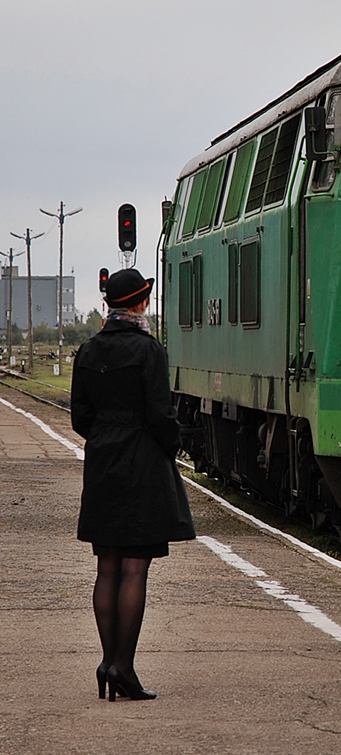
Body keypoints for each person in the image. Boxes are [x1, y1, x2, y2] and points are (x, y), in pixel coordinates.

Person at [71, 268, 195, 702]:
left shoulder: (87, 351)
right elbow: (161, 414)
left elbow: (79, 419)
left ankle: (108, 662)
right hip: (142, 460)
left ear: (108, 306)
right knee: (135, 567)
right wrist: (171, 446)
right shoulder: (149, 351)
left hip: (103, 460)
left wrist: (107, 436)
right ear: (141, 302)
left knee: (107, 564)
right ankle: (123, 667)